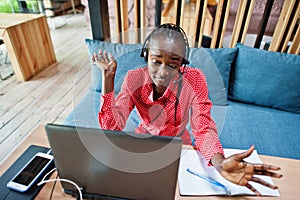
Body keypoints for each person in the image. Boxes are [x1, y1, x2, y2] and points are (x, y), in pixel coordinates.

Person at [92, 23, 282, 195]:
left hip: (179, 143)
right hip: (144, 138)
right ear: (146, 55)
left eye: (173, 63)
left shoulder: (194, 79)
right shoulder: (133, 79)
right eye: (156, 61)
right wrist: (108, 79)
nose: (164, 71)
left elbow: (203, 128)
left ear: (182, 63)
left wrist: (220, 163)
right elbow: (112, 127)